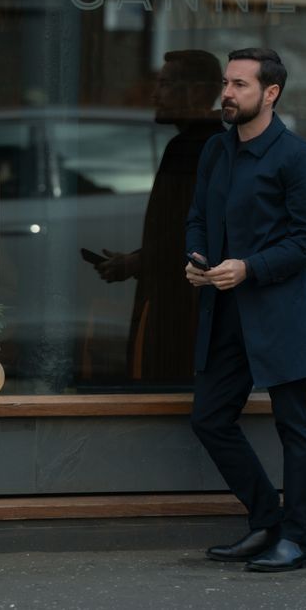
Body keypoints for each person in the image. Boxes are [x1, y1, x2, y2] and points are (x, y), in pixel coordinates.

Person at [185, 48, 306, 572]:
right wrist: (197, 259)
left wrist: (249, 267)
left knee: (296, 428)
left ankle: (299, 541)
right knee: (209, 418)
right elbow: (198, 217)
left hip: (281, 314)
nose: (228, 93)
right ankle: (267, 520)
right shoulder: (215, 152)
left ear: (271, 94)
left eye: (240, 85)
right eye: (226, 82)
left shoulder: (297, 157)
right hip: (225, 312)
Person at [94, 50, 224, 383]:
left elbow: (193, 230)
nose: (155, 95)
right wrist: (138, 259)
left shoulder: (197, 147)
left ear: (195, 91)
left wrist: (139, 262)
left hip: (182, 303)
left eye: (165, 85)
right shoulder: (200, 144)